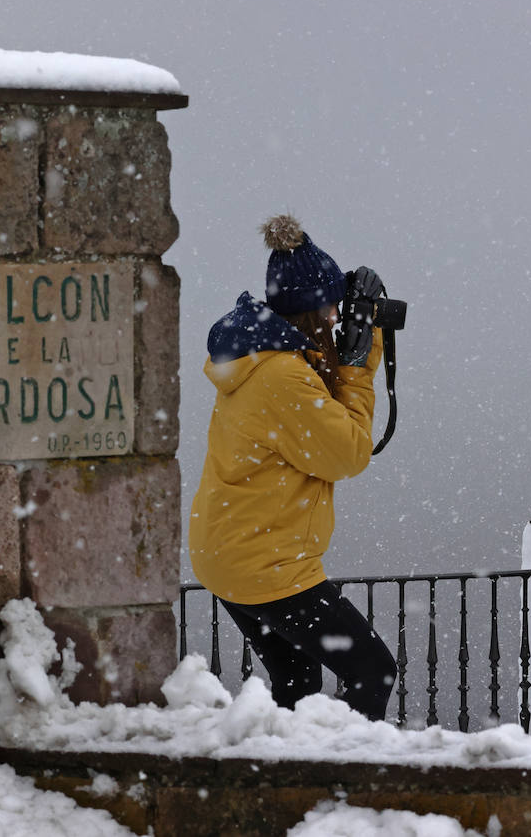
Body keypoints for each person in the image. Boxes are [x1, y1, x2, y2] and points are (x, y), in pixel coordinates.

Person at [189, 214, 397, 720]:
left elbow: (317, 429)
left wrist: (349, 354)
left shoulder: (263, 358)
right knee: (373, 671)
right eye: (329, 306)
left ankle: (287, 776)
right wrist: (358, 366)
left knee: (297, 679)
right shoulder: (282, 376)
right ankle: (336, 777)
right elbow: (348, 453)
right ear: (308, 311)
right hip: (267, 563)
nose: (334, 316)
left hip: (228, 552)